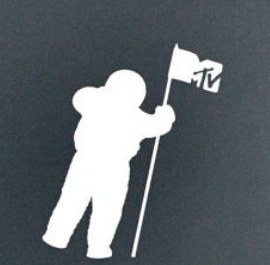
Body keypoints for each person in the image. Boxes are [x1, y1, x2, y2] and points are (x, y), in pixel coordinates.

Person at [42, 69, 175, 259]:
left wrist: (163, 118)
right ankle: (96, 247)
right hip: (111, 168)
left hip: (89, 162)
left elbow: (79, 97)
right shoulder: (134, 117)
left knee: (74, 201)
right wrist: (165, 115)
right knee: (105, 209)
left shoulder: (96, 102)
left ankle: (58, 237)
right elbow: (158, 126)